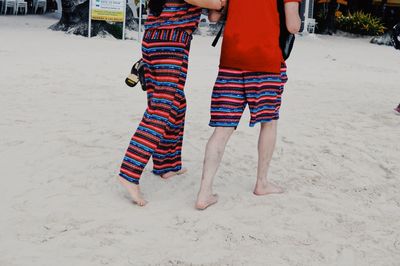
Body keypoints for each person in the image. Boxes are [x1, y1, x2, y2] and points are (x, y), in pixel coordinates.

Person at [195, 0, 302, 210]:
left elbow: (214, 17)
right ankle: (261, 183)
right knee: (269, 123)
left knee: (222, 130)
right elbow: (293, 26)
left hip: (231, 59)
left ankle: (204, 192)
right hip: (266, 60)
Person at [119, 0, 226, 206]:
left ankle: (166, 164)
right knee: (162, 108)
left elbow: (212, 13)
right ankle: (129, 172)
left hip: (160, 39)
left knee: (176, 103)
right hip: (170, 41)